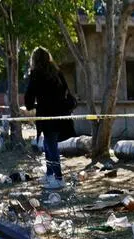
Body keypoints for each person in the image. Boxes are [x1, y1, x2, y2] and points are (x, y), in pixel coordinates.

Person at [24, 47, 77, 189]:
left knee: (51, 145)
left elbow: (29, 96)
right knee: (48, 144)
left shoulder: (36, 74)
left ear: (34, 60)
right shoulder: (57, 72)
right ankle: (49, 175)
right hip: (61, 113)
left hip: (47, 115)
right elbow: (66, 90)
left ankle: (58, 178)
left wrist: (33, 105)